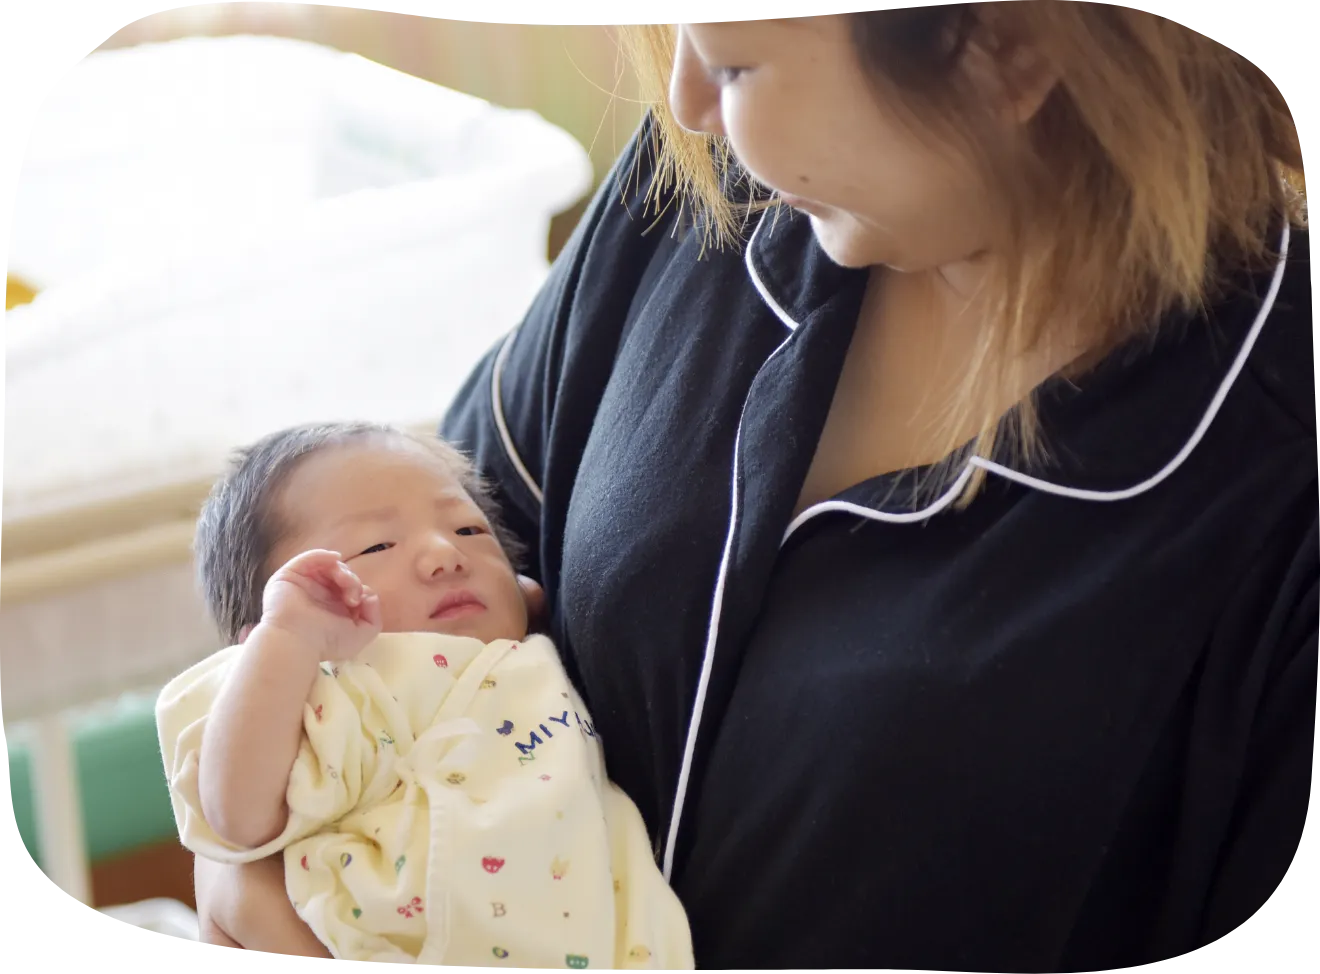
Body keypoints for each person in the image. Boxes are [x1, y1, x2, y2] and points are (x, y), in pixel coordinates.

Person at [192, 6, 1316, 971]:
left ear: (1010, 49)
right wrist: (240, 857)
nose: (687, 103)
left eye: (734, 61)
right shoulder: (706, 193)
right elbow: (385, 559)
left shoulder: (1274, 487)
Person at [157, 422, 694, 968]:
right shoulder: (350, 680)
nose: (446, 554)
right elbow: (239, 816)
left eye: (469, 530)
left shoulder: (532, 659)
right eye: (376, 546)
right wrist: (286, 645)